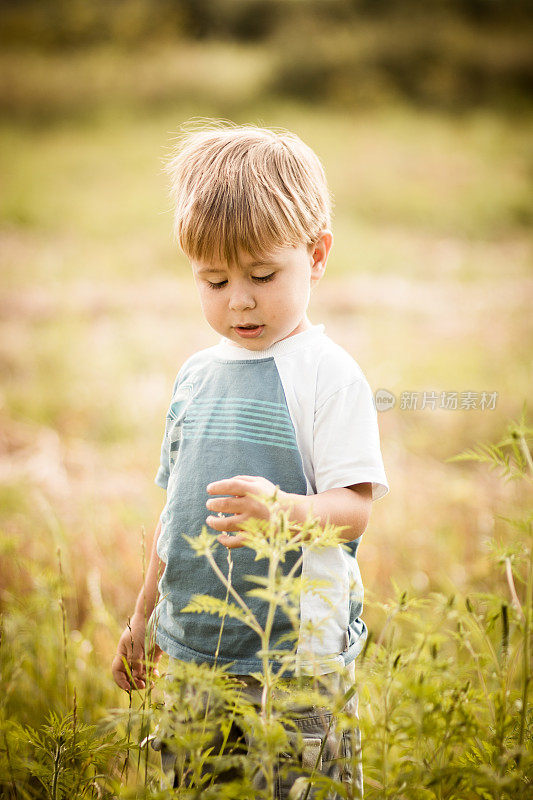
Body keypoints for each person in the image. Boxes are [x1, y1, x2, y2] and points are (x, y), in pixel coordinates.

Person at [112, 121, 389, 797]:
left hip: (295, 663)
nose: (239, 298)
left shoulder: (327, 374)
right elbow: (176, 512)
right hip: (194, 652)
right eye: (213, 279)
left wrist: (288, 512)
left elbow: (354, 509)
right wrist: (143, 614)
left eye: (262, 274)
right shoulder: (195, 375)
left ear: (317, 254)